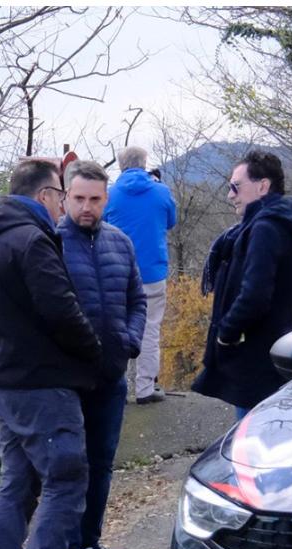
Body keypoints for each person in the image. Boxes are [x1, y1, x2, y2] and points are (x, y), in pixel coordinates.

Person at [0, 158, 104, 549]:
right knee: (66, 477)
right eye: (62, 196)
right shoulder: (32, 241)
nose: (64, 207)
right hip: (42, 381)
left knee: (18, 482)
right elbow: (60, 309)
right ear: (47, 195)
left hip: (2, 378)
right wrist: (94, 352)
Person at [55, 160, 146, 549]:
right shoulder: (51, 242)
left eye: (94, 199)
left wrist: (130, 341)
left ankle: (91, 543)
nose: (86, 207)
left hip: (112, 374)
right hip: (69, 378)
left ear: (106, 199)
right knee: (70, 466)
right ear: (65, 197)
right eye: (79, 199)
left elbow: (137, 300)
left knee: (102, 463)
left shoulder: (120, 243)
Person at [192, 149, 292, 420]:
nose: (230, 194)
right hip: (276, 357)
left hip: (259, 363)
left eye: (236, 186)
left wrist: (226, 333)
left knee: (250, 445)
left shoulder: (265, 228)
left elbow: (255, 295)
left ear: (262, 186)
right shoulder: (281, 222)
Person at [103, 146, 177, 404]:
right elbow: (170, 221)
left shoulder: (110, 194)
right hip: (152, 272)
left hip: (118, 271)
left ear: (121, 165)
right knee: (150, 330)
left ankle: (117, 387)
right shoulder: (161, 192)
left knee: (116, 328)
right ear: (145, 163)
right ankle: (145, 388)